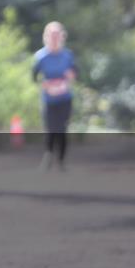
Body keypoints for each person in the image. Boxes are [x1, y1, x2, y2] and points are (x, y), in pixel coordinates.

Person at [32, 21, 77, 171]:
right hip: (49, 98)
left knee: (62, 129)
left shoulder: (67, 55)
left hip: (65, 98)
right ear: (46, 37)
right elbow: (34, 77)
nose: (55, 38)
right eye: (52, 35)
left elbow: (75, 73)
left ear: (62, 37)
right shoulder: (41, 57)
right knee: (51, 128)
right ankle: (49, 155)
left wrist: (70, 77)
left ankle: (61, 160)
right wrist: (45, 84)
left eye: (57, 35)